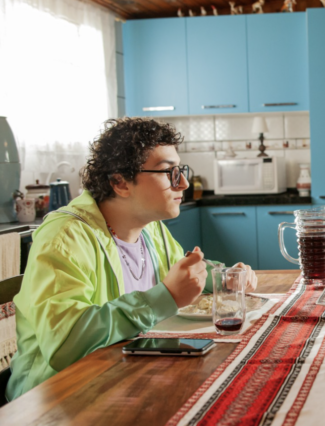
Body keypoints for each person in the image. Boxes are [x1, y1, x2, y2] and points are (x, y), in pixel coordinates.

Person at [6, 118, 257, 401]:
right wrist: (165, 297)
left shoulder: (151, 229)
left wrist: (224, 276)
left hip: (125, 378)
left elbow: (182, 274)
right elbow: (65, 344)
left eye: (181, 170)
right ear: (120, 182)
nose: (183, 183)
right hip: (57, 397)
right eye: (168, 172)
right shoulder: (65, 237)